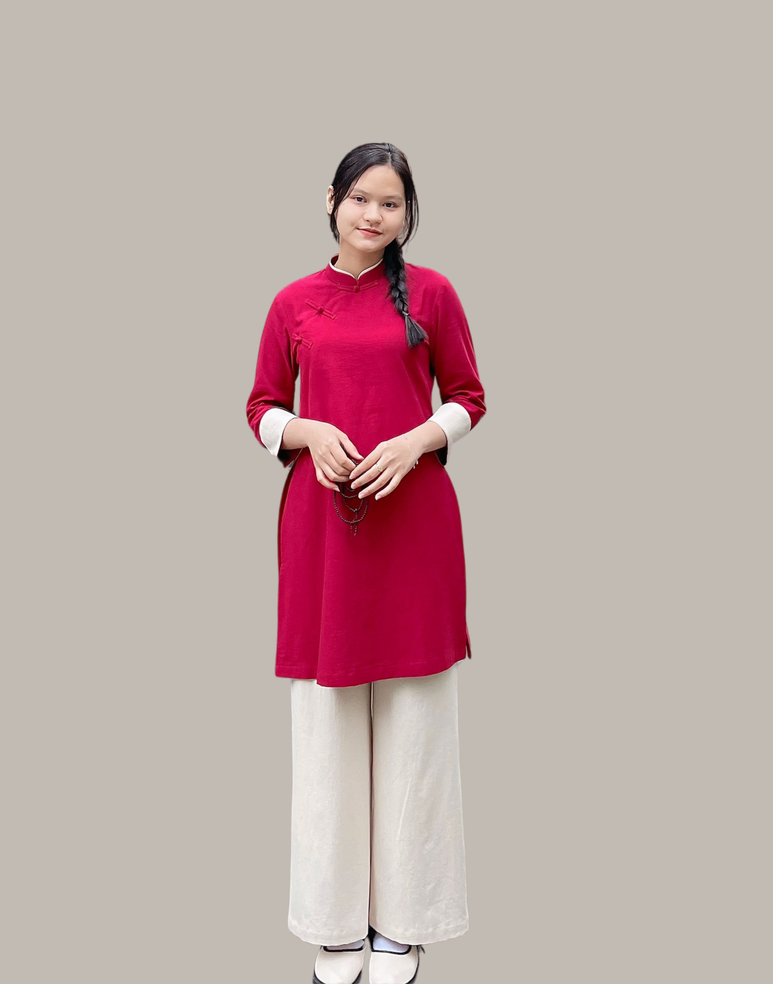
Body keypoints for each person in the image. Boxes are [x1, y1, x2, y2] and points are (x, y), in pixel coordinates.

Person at [246, 142, 486, 984]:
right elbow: (261, 406)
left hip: (415, 527)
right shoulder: (292, 303)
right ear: (331, 201)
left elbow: (469, 397)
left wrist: (418, 441)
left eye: (391, 202)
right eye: (360, 198)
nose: (373, 214)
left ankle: (405, 924)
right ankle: (334, 923)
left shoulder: (435, 295)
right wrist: (305, 431)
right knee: (326, 729)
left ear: (407, 213)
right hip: (324, 534)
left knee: (417, 726)